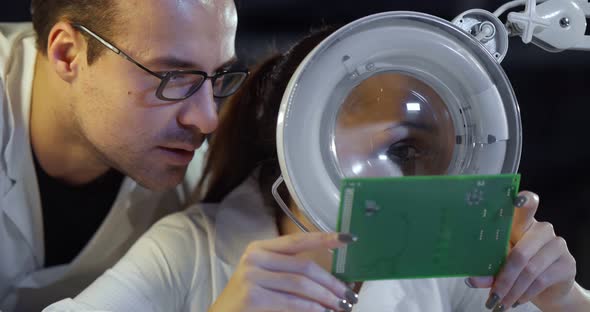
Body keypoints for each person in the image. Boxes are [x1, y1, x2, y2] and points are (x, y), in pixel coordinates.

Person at [44, 28, 589, 312]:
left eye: (411, 152)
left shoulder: (442, 259)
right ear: (298, 146)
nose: (399, 179)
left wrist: (561, 298)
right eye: (383, 150)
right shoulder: (188, 250)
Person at [0, 0, 247, 310]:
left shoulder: (193, 189)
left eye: (219, 75)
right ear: (67, 54)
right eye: (172, 76)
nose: (208, 119)